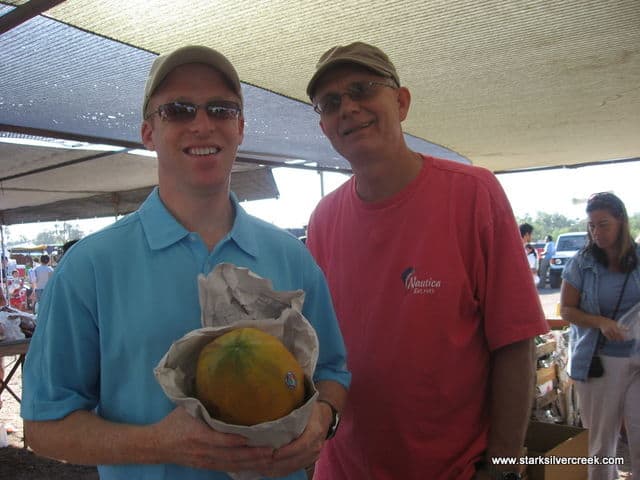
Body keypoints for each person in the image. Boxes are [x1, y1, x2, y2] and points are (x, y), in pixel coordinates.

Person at [21, 45, 351, 480]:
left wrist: (323, 418)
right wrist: (160, 443)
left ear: (240, 128)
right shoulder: (90, 267)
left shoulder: (292, 258)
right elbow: (44, 426)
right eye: (177, 110)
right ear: (148, 132)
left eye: (221, 109)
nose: (202, 124)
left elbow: (331, 372)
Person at [304, 42, 548, 480]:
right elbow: (318, 350)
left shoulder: (473, 193)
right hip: (343, 469)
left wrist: (504, 467)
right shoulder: (323, 219)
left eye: (362, 90)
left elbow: (515, 343)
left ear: (401, 102)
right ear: (324, 127)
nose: (349, 108)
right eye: (331, 103)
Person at [560, 192, 639, 480]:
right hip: (598, 363)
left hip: (637, 360)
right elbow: (566, 310)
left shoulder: (638, 258)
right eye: (591, 225)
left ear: (621, 222)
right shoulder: (582, 262)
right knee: (602, 443)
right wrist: (600, 322)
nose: (596, 232)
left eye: (603, 224)